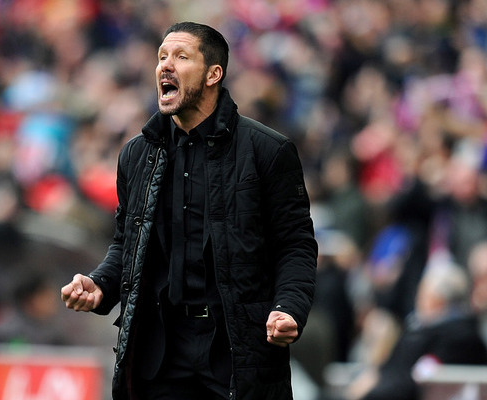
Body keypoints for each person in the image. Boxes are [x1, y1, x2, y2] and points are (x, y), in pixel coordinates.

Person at [61, 21, 318, 400]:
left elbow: (295, 245)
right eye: (161, 56)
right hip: (159, 355)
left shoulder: (267, 150)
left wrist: (289, 307)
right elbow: (127, 245)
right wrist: (100, 284)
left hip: (236, 351)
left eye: (181, 57)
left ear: (213, 74)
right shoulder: (136, 154)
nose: (165, 65)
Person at [346, 261, 487, 400]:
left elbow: (417, 376)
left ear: (438, 299)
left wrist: (372, 391)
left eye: (423, 294)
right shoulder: (419, 329)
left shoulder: (458, 337)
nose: (418, 300)